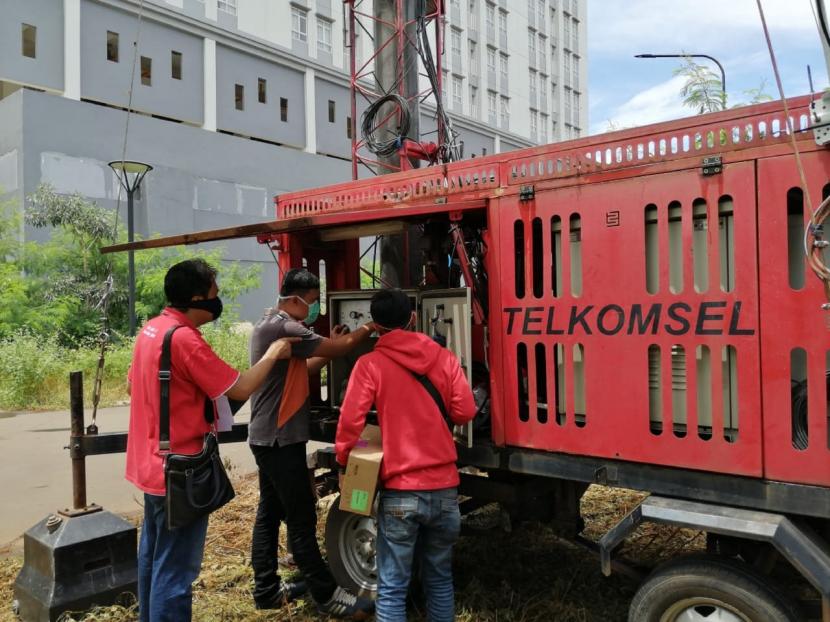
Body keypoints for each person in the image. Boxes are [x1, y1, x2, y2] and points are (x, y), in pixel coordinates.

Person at [125, 258, 298, 622]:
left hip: (150, 466)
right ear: (196, 297)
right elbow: (242, 386)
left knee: (152, 557)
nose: (218, 301)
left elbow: (132, 385)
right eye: (214, 294)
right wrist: (273, 353)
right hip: (178, 472)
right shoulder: (184, 339)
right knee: (176, 571)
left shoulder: (152, 330)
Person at [335, 288, 477, 622]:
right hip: (444, 489)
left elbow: (350, 421)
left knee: (393, 586)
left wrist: (344, 462)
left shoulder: (369, 364)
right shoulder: (443, 357)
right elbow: (465, 410)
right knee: (440, 579)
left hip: (401, 492)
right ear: (413, 318)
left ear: (376, 324)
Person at [248, 268, 375, 618]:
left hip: (268, 436)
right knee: (301, 518)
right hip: (278, 438)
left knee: (270, 512)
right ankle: (328, 595)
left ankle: (267, 589)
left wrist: (332, 346)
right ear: (294, 299)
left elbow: (302, 368)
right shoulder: (284, 326)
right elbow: (344, 345)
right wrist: (370, 326)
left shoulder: (271, 321)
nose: (314, 309)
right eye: (313, 302)